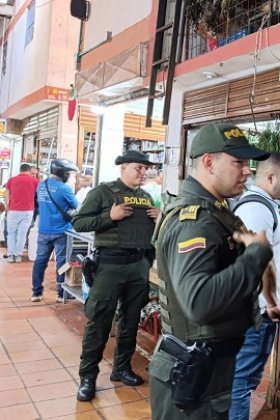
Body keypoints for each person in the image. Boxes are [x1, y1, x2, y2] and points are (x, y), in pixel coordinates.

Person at [149, 122, 280, 420]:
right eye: (238, 162)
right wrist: (256, 255)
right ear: (209, 163)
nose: (248, 170)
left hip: (209, 366)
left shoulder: (217, 211)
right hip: (194, 370)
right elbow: (199, 303)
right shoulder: (195, 221)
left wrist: (269, 303)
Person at [72, 151, 159, 401]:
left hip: (137, 267)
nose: (143, 173)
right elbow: (79, 223)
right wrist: (109, 217)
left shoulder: (146, 197)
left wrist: (159, 219)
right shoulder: (103, 192)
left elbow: (149, 234)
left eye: (146, 169)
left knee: (131, 322)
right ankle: (87, 377)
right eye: (138, 168)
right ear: (122, 168)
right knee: (99, 322)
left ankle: (122, 369)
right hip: (109, 266)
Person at [229, 152, 280, 420]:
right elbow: (258, 260)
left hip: (256, 309)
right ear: (271, 177)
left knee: (241, 380)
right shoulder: (256, 208)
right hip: (256, 312)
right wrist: (271, 303)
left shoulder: (261, 205)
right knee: (242, 383)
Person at [31, 159, 79, 302]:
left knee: (40, 261)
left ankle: (36, 293)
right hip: (62, 231)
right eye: (68, 174)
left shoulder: (41, 185)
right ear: (63, 173)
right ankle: (60, 293)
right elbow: (75, 205)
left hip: (44, 230)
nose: (69, 176)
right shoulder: (64, 189)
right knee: (62, 262)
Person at [4, 164, 40, 262]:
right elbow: (40, 194)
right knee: (22, 234)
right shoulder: (35, 181)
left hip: (13, 210)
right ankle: (18, 255)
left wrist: (8, 206)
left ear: (20, 170)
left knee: (11, 233)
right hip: (28, 211)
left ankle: (11, 256)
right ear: (29, 171)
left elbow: (6, 193)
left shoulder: (11, 180)